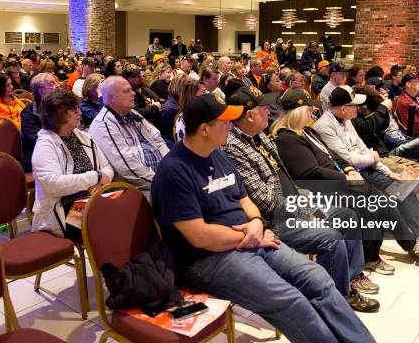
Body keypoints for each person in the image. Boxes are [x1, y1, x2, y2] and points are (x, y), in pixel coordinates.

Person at [152, 93, 376, 343]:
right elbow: (199, 236)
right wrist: (249, 236)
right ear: (204, 129)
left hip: (252, 238)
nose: (230, 125)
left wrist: (257, 224)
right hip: (208, 259)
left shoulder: (217, 154)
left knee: (318, 279)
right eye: (224, 122)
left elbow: (245, 199)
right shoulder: (173, 171)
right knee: (290, 300)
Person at [225, 86, 379, 312]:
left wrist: (306, 205)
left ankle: (348, 279)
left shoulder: (259, 136)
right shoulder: (233, 147)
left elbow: (286, 180)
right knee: (333, 236)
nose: (270, 111)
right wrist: (303, 211)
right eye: (264, 108)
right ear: (249, 115)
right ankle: (335, 300)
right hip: (276, 220)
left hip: (297, 206)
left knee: (347, 216)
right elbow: (265, 200)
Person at [314, 86, 419, 263]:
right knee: (387, 201)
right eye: (354, 105)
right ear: (343, 108)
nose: (358, 108)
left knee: (403, 186)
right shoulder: (324, 126)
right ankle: (413, 245)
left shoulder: (346, 119)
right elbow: (350, 159)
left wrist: (389, 172)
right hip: (350, 176)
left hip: (367, 168)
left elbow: (361, 148)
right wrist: (371, 157)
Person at [31, 89, 113, 239]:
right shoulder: (45, 145)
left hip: (93, 199)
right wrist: (96, 177)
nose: (80, 113)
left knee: (130, 206)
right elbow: (54, 185)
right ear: (60, 114)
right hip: (67, 211)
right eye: (75, 109)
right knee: (114, 221)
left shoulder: (83, 137)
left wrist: (101, 181)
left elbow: (107, 166)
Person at [89, 76, 169, 193]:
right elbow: (126, 167)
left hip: (161, 176)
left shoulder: (132, 113)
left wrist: (171, 169)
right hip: (136, 188)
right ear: (112, 97)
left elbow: (157, 139)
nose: (133, 94)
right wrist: (161, 183)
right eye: (127, 91)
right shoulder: (102, 124)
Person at [21, 73, 59, 173]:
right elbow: (36, 139)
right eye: (52, 84)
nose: (58, 85)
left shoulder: (61, 108)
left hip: (62, 152)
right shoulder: (28, 113)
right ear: (41, 91)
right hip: (41, 156)